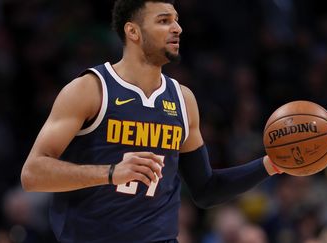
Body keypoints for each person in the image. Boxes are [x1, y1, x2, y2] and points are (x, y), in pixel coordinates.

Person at [20, 0, 281, 242]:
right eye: (164, 20)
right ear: (133, 32)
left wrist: (272, 164)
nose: (177, 28)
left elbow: (206, 189)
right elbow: (32, 174)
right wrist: (110, 173)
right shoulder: (90, 89)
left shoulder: (183, 99)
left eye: (176, 20)